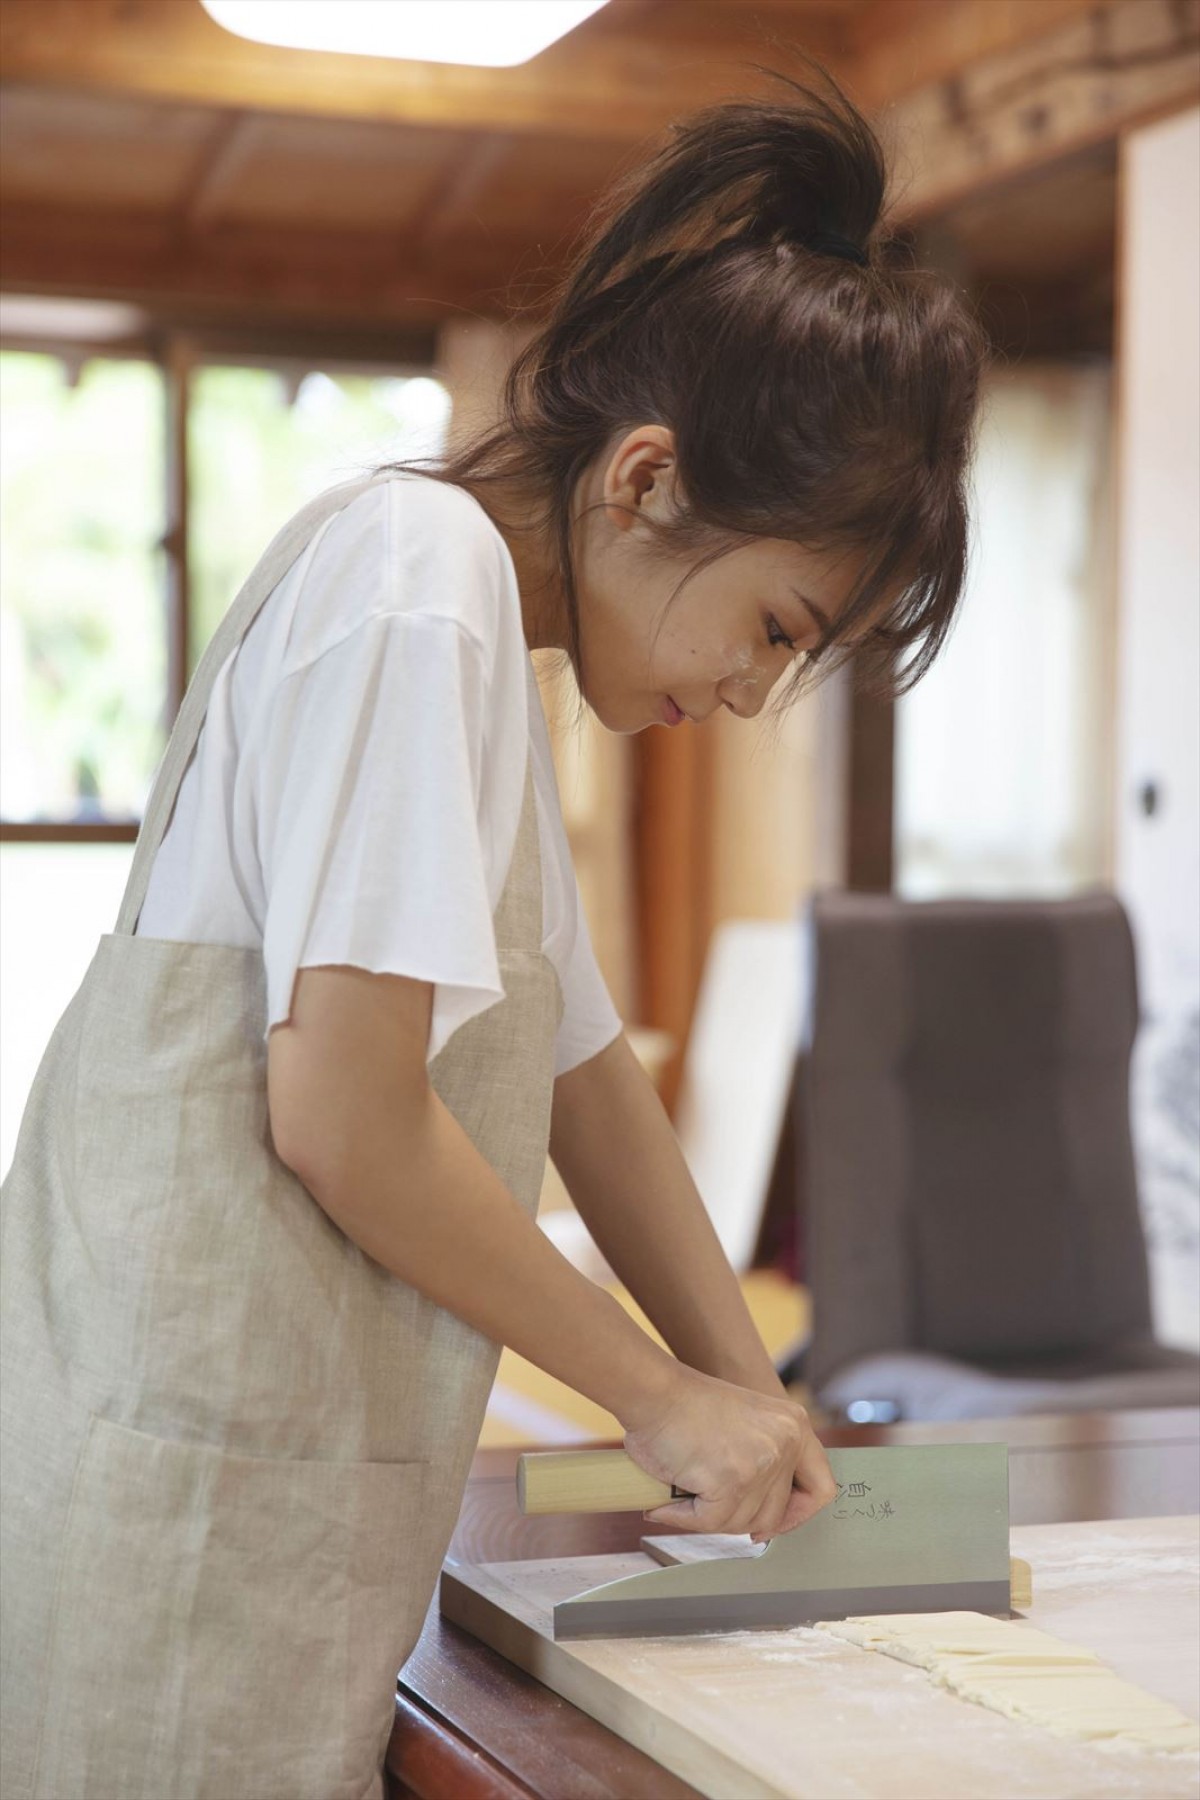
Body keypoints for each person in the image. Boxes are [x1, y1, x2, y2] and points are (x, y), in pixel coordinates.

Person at [0, 66, 985, 1800]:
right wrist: (653, 1397)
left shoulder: (492, 651)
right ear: (645, 480)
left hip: (273, 1507)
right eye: (772, 627)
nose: (752, 696)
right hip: (171, 1515)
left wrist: (759, 1409)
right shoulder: (416, 581)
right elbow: (347, 1114)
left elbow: (591, 1079)